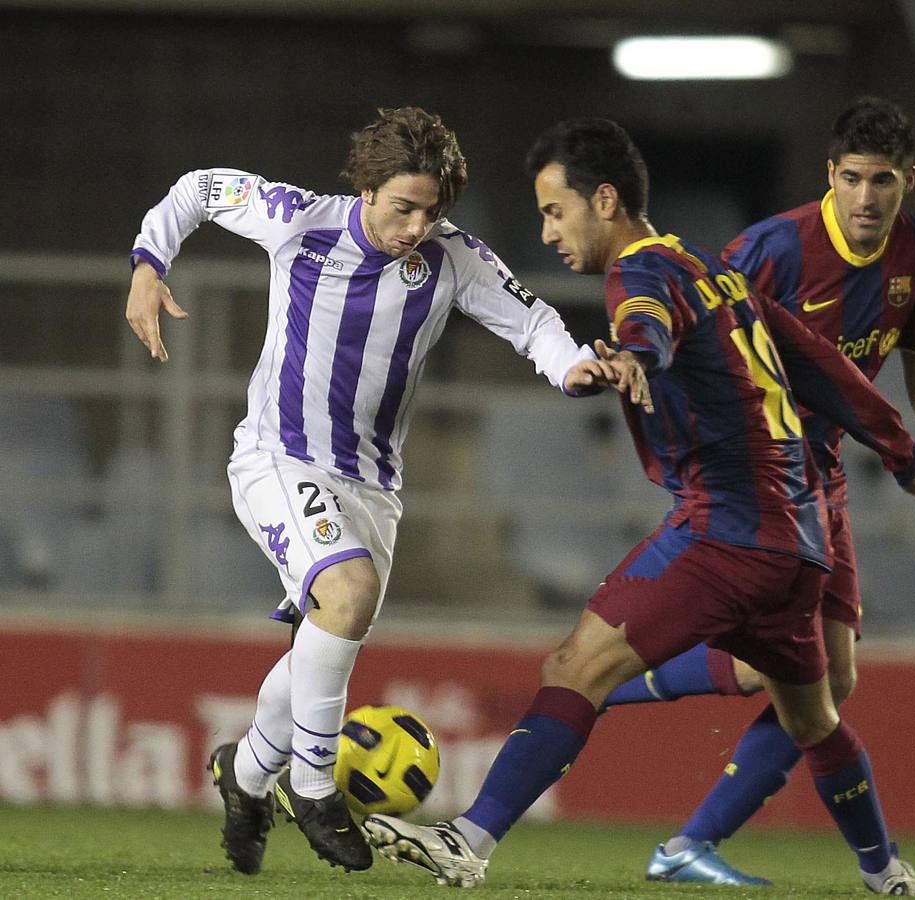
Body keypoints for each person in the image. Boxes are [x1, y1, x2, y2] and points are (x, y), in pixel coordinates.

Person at [361, 118, 915, 896]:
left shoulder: (638, 271)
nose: (548, 231)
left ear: (604, 200)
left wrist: (636, 353)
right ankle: (887, 873)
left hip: (725, 530)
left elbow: (646, 324)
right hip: (802, 544)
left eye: (554, 211)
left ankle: (467, 842)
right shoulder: (714, 272)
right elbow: (822, 368)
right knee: (813, 718)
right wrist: (907, 456)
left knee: (575, 665)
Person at [124, 107, 619, 876]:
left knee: (321, 641)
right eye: (404, 207)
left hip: (373, 487)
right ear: (366, 187)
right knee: (345, 596)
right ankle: (316, 789)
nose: (419, 226)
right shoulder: (298, 220)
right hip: (276, 459)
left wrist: (572, 366)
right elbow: (195, 190)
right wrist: (149, 265)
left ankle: (245, 775)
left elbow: (532, 322)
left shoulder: (454, 258)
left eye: (433, 211)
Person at [600, 97, 915, 887]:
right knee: (811, 680)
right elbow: (692, 324)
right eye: (852, 178)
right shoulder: (772, 249)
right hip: (757, 469)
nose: (866, 197)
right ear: (831, 175)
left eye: (883, 180)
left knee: (826, 677)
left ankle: (666, 795)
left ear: (908, 182)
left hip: (819, 470)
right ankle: (624, 705)